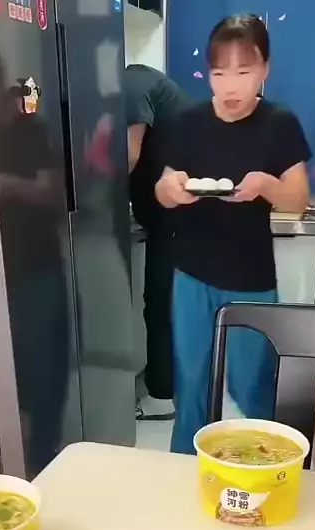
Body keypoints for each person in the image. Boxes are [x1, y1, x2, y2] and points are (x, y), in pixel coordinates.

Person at [155, 15, 311, 454]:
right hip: (191, 274)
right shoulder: (188, 121)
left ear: (265, 69)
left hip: (250, 279)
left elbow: (297, 200)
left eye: (243, 71)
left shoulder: (279, 123)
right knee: (192, 383)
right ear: (208, 74)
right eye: (220, 73)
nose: (231, 85)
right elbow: (164, 188)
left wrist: (268, 185)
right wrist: (170, 188)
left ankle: (264, 468)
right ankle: (185, 467)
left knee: (252, 387)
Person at [0, 43, 69, 476]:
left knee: (45, 381)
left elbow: (53, 191)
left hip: (37, 271)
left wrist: (4, 186)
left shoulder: (28, 127)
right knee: (5, 385)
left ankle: (43, 466)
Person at [124, 64, 192, 409]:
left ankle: (162, 396)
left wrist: (88, 188)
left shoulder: (130, 82)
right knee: (172, 303)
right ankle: (177, 387)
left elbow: (128, 154)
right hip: (180, 211)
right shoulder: (146, 82)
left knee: (162, 303)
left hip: (178, 213)